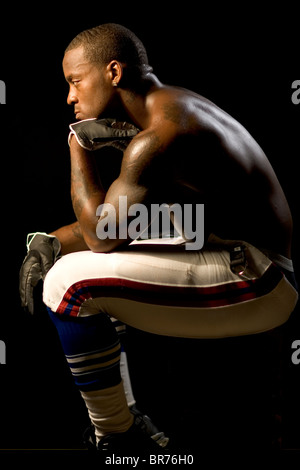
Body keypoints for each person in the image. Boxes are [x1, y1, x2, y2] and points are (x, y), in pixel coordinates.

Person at [19, 23, 298, 453]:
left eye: (75, 82)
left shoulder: (160, 134)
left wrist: (76, 148)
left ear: (113, 72)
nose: (70, 97)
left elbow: (100, 235)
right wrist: (48, 240)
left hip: (259, 279)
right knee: (81, 266)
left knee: (67, 283)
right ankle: (126, 422)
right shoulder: (171, 111)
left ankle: (117, 434)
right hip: (246, 261)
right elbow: (129, 226)